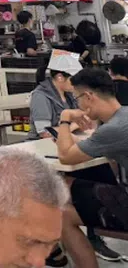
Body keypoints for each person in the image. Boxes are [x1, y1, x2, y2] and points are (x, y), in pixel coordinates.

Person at [54, 68, 128, 260]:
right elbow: (98, 144)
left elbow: (65, 156)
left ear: (88, 96)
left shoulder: (113, 129)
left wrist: (65, 118)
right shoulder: (122, 117)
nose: (77, 104)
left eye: (77, 98)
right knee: (74, 185)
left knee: (62, 214)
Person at [28, 50, 81, 140]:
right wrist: (73, 126)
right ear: (60, 77)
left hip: (66, 140)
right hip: (42, 144)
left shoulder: (69, 94)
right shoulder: (40, 96)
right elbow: (45, 133)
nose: (77, 84)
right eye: (74, 79)